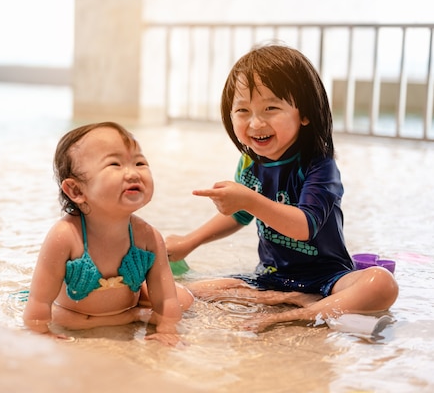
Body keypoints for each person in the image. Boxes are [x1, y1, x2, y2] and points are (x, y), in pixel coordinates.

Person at [165, 44, 398, 332]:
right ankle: (291, 299)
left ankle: (295, 313)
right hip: (269, 280)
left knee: (381, 284)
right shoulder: (250, 162)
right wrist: (189, 242)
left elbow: (304, 226)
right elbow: (239, 214)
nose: (255, 122)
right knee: (180, 291)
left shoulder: (319, 166)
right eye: (242, 110)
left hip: (328, 279)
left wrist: (249, 200)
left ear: (304, 114)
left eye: (271, 108)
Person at [23, 121, 194, 346]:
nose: (133, 173)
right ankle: (132, 315)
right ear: (76, 190)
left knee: (182, 300)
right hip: (75, 316)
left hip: (128, 308)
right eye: (115, 164)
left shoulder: (148, 237)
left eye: (140, 162)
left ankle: (138, 309)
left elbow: (166, 298)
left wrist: (167, 328)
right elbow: (38, 301)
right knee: (66, 319)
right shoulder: (66, 236)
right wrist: (40, 332)